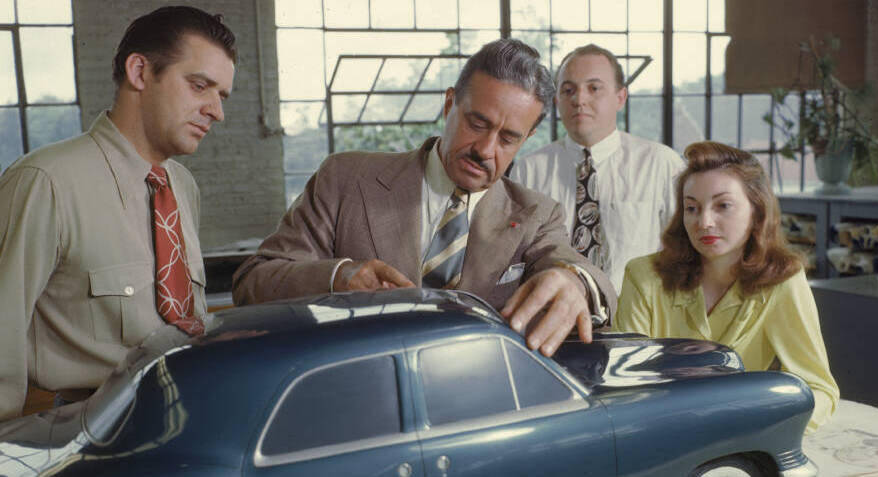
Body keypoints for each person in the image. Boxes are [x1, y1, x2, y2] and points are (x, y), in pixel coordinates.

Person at [233, 39, 617, 357]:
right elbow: (253, 282)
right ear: (449, 104)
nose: (485, 149)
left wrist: (575, 282)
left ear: (527, 139)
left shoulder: (536, 214)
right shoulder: (346, 179)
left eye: (507, 138)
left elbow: (579, 271)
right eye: (477, 123)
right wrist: (338, 278)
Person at [0, 6, 236, 420]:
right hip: (89, 436)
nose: (217, 111)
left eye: (222, 96)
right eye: (201, 86)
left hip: (191, 421)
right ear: (140, 72)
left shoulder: (182, 187)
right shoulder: (44, 183)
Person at [612, 141, 839, 433]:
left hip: (745, 438)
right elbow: (623, 386)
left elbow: (819, 389)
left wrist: (763, 429)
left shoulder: (783, 280)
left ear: (757, 211)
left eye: (723, 206)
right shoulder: (643, 276)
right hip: (659, 436)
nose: (704, 222)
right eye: (691, 208)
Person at [510, 44, 683, 293]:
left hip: (639, 320)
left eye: (594, 88)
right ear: (557, 100)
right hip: (552, 316)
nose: (579, 100)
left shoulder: (661, 164)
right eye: (568, 90)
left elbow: (684, 254)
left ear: (620, 98)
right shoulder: (528, 170)